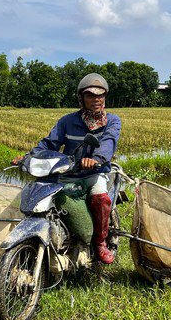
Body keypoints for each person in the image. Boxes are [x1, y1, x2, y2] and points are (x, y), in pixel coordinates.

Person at [12, 73, 121, 264]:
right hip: (68, 172)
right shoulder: (68, 121)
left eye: (100, 95)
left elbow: (109, 142)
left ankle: (100, 242)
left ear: (105, 97)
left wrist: (95, 158)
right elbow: (49, 143)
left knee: (100, 197)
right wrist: (29, 157)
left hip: (95, 172)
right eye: (90, 95)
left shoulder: (112, 121)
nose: (96, 100)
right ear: (82, 98)